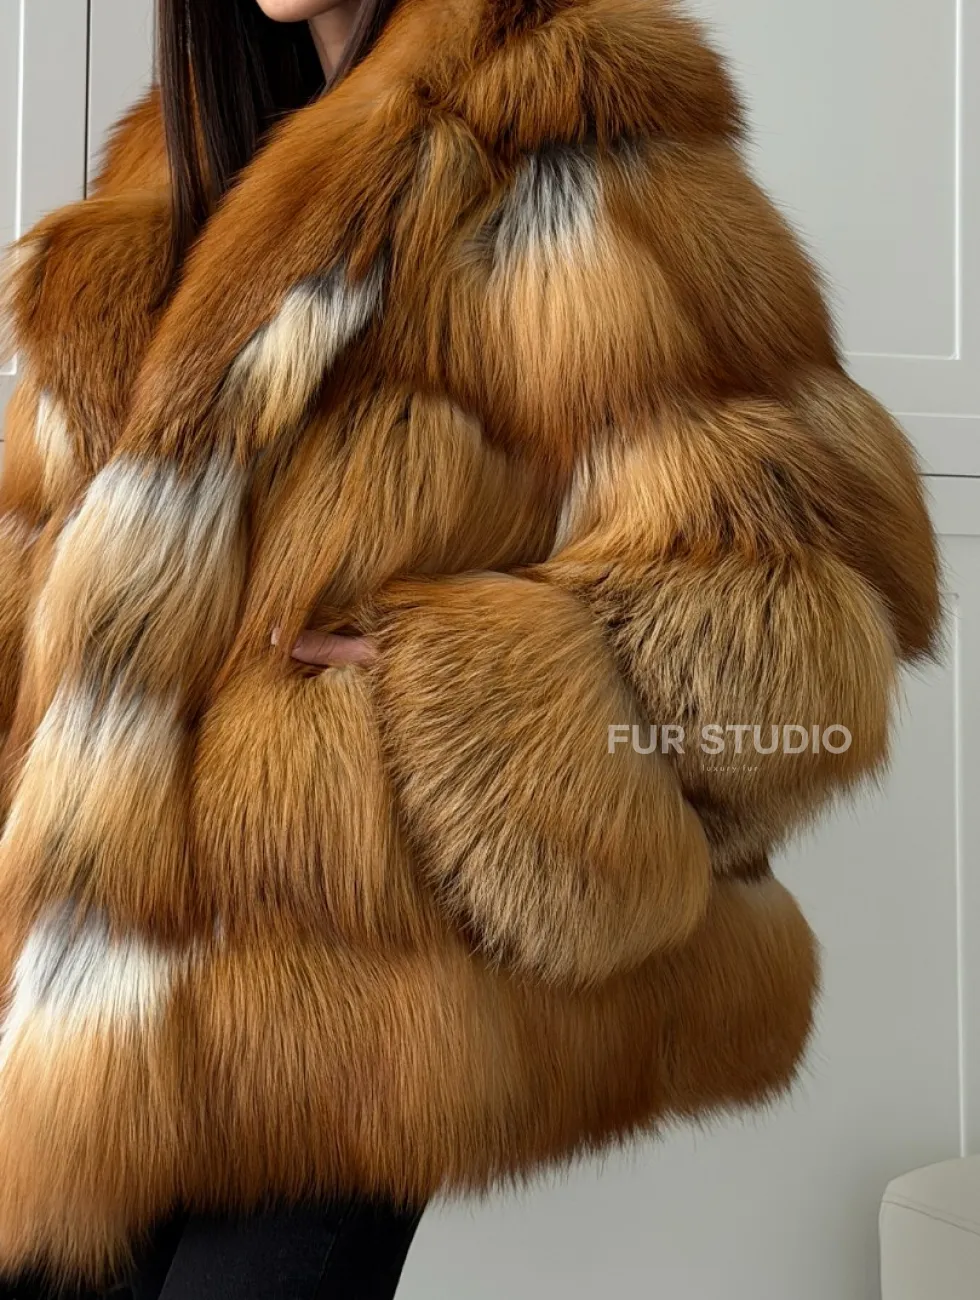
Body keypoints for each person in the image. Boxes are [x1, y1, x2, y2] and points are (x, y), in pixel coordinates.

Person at [0, 0, 940, 1295]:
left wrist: (461, 699)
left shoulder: (575, 134)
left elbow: (808, 624)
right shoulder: (175, 172)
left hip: (356, 1014)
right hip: (83, 1018)